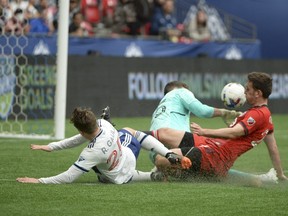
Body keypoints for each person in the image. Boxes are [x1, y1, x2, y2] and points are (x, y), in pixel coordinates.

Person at [152, 72, 288, 184]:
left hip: (214, 155)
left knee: (161, 160)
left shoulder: (258, 114)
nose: (245, 93)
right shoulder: (265, 116)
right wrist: (280, 174)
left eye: (247, 89)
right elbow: (273, 148)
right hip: (213, 148)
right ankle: (257, 180)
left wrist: (205, 131)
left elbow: (235, 133)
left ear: (258, 93)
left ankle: (136, 137)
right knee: (166, 137)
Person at [16, 107, 191, 184]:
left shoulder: (91, 152)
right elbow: (81, 137)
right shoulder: (103, 124)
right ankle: (166, 155)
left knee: (106, 169)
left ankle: (151, 174)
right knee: (130, 131)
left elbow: (68, 177)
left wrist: (39, 180)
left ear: (83, 131)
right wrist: (53, 146)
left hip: (113, 178)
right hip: (127, 158)